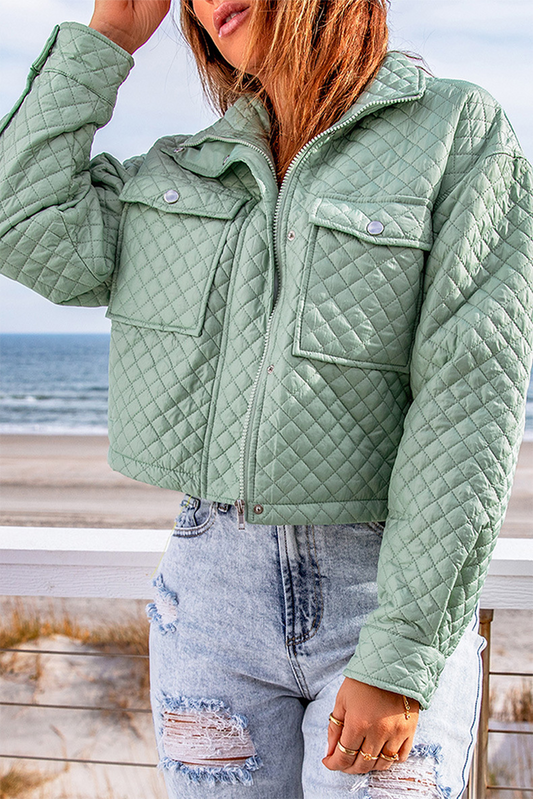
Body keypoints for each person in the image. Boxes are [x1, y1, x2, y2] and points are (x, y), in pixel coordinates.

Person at [0, 0, 532, 796]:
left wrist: (402, 650)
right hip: (209, 597)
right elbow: (21, 222)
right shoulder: (178, 170)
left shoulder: (456, 132)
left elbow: (466, 402)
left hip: (382, 587)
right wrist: (105, 38)